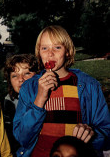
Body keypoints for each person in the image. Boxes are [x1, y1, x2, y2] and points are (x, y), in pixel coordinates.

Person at [13, 25, 110, 157]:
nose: (50, 53)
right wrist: (39, 99)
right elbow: (22, 137)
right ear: (39, 53)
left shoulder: (90, 86)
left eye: (57, 47)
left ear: (68, 52)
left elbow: (106, 131)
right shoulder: (28, 88)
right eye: (44, 48)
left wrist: (93, 134)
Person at [3, 54, 38, 156]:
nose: (21, 79)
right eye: (14, 75)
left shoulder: (47, 98)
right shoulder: (9, 102)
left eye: (27, 73)